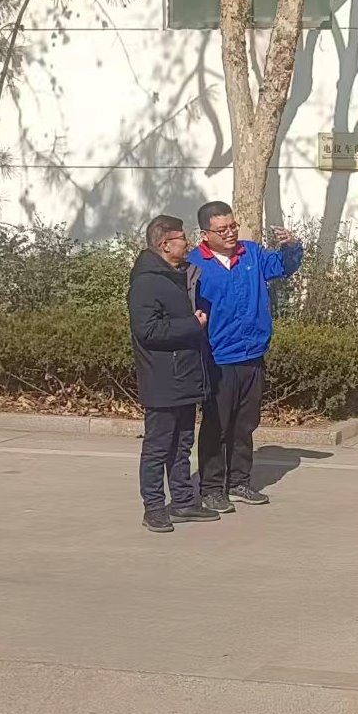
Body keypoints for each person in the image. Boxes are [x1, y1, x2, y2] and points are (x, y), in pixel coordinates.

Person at [187, 201, 303, 513]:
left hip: (252, 354)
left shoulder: (251, 254)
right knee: (217, 425)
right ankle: (211, 488)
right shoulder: (194, 265)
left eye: (233, 226)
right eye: (221, 229)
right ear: (205, 233)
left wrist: (291, 246)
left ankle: (239, 481)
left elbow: (284, 266)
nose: (230, 233)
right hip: (218, 358)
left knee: (245, 423)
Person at [128, 215, 221, 533]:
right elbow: (147, 331)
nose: (188, 243)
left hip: (186, 375)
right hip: (163, 377)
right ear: (165, 244)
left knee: (182, 443)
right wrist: (192, 324)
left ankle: (183, 500)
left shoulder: (178, 275)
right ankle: (153, 507)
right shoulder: (146, 282)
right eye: (182, 238)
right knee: (158, 446)